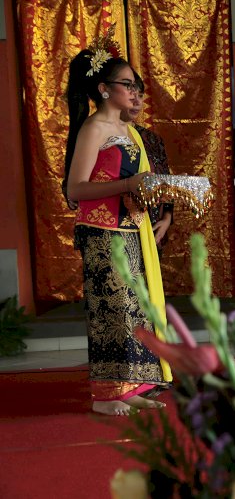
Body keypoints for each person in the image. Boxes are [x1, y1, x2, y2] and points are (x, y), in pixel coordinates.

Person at [64, 40, 171, 415]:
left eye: (136, 85)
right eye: (127, 83)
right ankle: (106, 395)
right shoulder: (94, 128)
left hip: (132, 229)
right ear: (104, 89)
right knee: (112, 310)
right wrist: (127, 186)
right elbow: (76, 189)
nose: (135, 91)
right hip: (102, 230)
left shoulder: (129, 130)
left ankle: (131, 387)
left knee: (133, 311)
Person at [120, 73, 173, 248]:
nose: (137, 102)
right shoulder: (104, 136)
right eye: (131, 95)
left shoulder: (152, 140)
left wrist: (166, 219)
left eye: (140, 96)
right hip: (119, 231)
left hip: (153, 231)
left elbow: (165, 184)